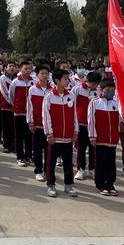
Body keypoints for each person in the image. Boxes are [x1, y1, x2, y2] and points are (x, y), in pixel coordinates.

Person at [42, 68, 79, 198]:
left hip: (68, 137)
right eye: (65, 79)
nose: (67, 81)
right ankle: (51, 184)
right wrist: (49, 133)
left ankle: (69, 185)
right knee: (51, 162)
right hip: (55, 137)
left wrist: (75, 131)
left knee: (68, 163)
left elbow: (74, 114)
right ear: (57, 81)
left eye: (68, 78)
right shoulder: (49, 96)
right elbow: (46, 117)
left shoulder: (71, 96)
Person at [87, 79, 119, 196]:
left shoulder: (116, 103)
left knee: (111, 162)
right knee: (101, 162)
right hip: (100, 139)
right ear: (101, 90)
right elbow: (91, 120)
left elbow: (120, 120)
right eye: (107, 90)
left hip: (112, 140)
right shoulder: (95, 103)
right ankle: (100, 184)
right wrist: (92, 136)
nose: (110, 92)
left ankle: (110, 183)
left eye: (112, 90)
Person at [71, 71, 101, 180]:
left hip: (93, 125)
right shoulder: (77, 89)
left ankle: (92, 169)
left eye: (96, 84)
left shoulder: (98, 91)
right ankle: (81, 169)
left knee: (93, 147)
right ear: (87, 80)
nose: (94, 86)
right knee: (81, 147)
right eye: (92, 83)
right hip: (80, 123)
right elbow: (71, 105)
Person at [26, 64, 52, 181]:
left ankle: (48, 170)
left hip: (50, 126)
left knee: (49, 150)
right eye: (42, 73)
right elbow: (29, 107)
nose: (45, 75)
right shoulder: (32, 89)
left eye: (46, 73)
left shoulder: (53, 90)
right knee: (37, 149)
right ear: (37, 75)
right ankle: (38, 170)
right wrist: (30, 122)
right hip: (37, 124)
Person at [9, 60, 35, 167]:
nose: (28, 71)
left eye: (30, 68)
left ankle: (28, 156)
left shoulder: (34, 82)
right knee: (19, 136)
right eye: (26, 68)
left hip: (30, 114)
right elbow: (11, 96)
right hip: (19, 113)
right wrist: (16, 106)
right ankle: (20, 157)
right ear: (20, 69)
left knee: (29, 136)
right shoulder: (15, 82)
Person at [0, 61, 16, 153]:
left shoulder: (17, 78)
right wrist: (11, 101)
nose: (12, 68)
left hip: (14, 107)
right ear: (6, 68)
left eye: (13, 66)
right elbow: (4, 92)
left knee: (13, 127)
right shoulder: (2, 78)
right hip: (5, 106)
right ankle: (6, 145)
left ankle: (12, 145)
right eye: (10, 66)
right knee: (6, 127)